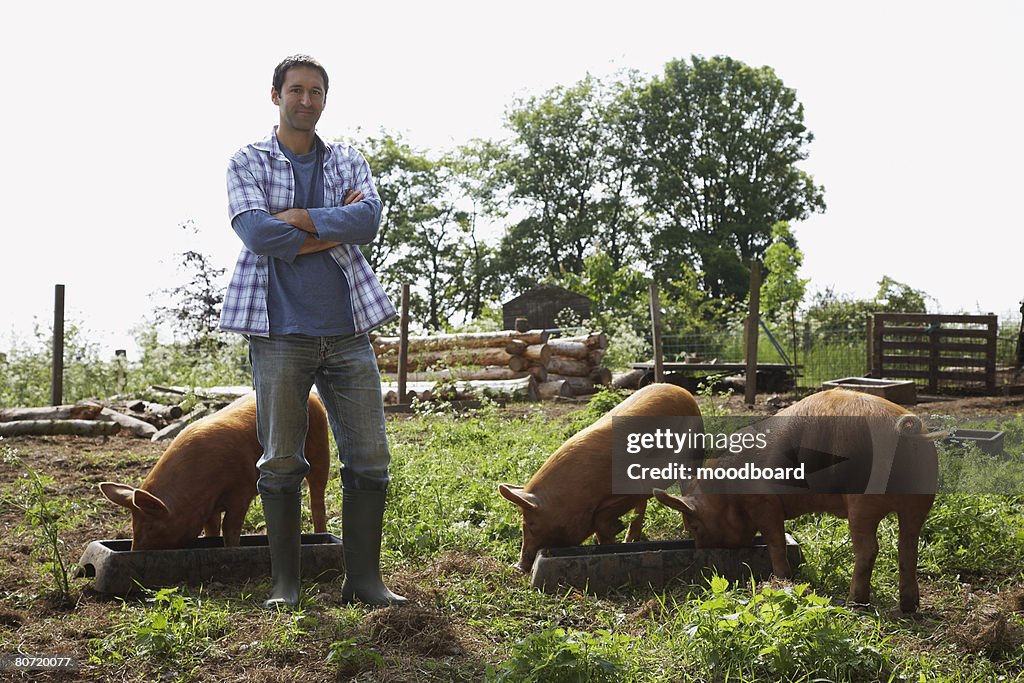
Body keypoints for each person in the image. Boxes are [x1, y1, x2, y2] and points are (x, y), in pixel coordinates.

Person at [221, 54, 406, 609]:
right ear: (275, 95)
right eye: (296, 90)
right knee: (280, 458)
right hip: (279, 332)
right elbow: (256, 233)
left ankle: (364, 582)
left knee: (369, 456)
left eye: (316, 91)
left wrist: (297, 218)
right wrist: (329, 221)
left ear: (326, 99)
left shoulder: (347, 158)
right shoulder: (247, 160)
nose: (307, 100)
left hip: (348, 331)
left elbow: (368, 222)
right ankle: (286, 584)